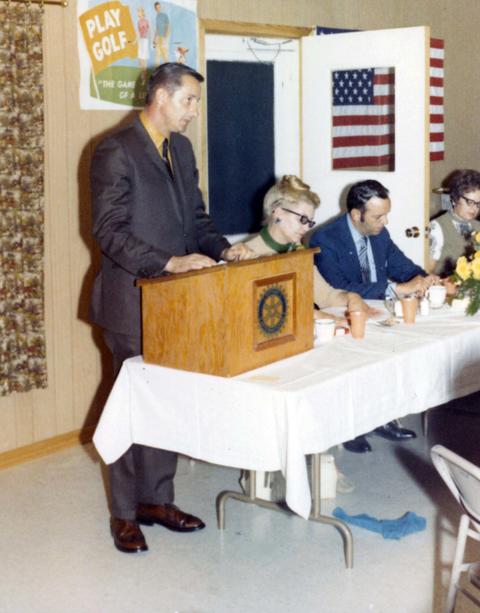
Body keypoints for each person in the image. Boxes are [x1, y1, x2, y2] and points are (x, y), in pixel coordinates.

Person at [90, 62, 254, 554]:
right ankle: (124, 513)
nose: (195, 112)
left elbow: (196, 221)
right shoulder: (115, 150)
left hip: (176, 308)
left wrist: (225, 249)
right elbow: (109, 232)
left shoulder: (180, 150)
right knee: (128, 407)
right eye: (190, 101)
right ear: (161, 97)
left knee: (167, 405)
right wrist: (168, 262)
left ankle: (156, 501)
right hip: (130, 303)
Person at [310, 179, 439, 453]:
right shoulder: (325, 239)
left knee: (388, 362)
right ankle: (350, 428)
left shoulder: (379, 233)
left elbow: (400, 264)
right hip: (344, 315)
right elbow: (338, 288)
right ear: (356, 215)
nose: (386, 221)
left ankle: (382, 418)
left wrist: (425, 279)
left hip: (378, 312)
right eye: (379, 216)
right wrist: (396, 288)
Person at [244, 175, 373, 321]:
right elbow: (264, 313)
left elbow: (325, 295)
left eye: (309, 222)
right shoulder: (246, 255)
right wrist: (318, 315)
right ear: (278, 212)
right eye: (302, 219)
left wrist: (351, 297)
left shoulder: (298, 252)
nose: (306, 228)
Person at [428, 169, 480, 276]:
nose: (474, 208)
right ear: (455, 198)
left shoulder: (478, 226)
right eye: (470, 202)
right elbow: (427, 271)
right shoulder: (436, 227)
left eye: (478, 203)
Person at [136, 7, 150, 83]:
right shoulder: (138, 22)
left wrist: (152, 43)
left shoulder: (146, 21)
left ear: (142, 12)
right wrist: (135, 41)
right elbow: (138, 33)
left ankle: (144, 77)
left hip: (145, 41)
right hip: (141, 41)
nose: (138, 13)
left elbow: (149, 31)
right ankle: (143, 75)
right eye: (137, 12)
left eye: (139, 11)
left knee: (144, 59)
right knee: (140, 60)